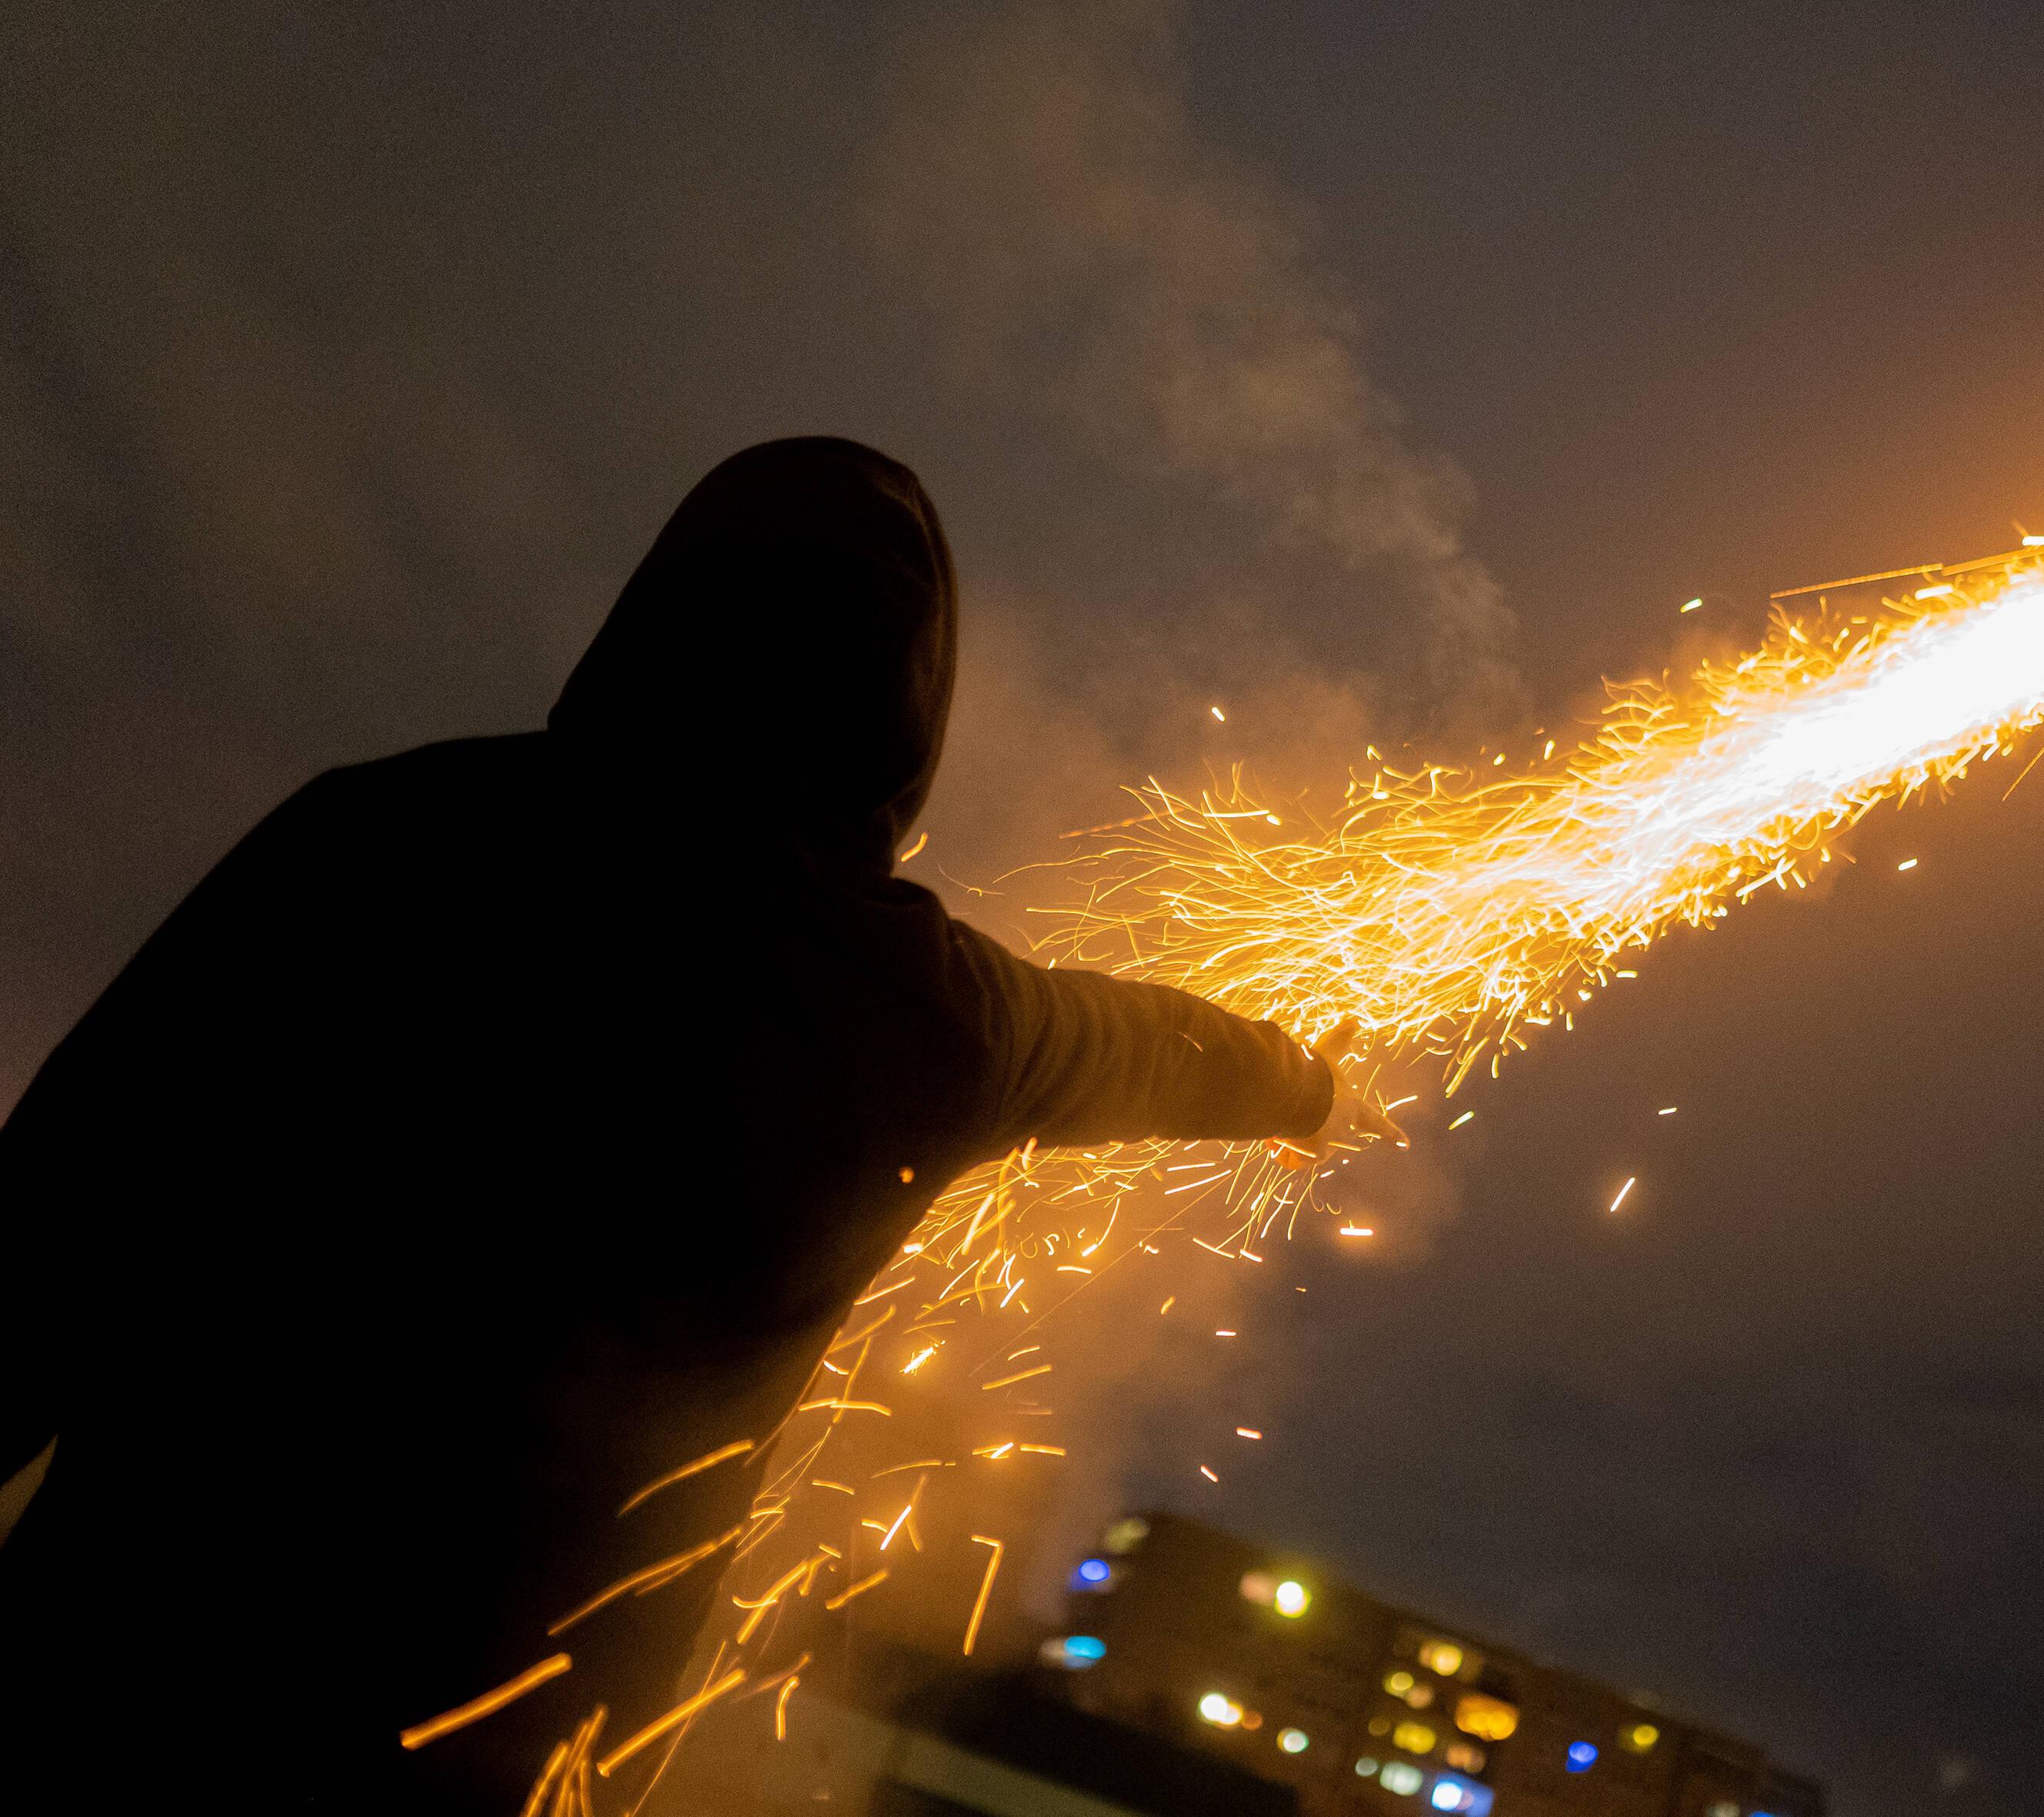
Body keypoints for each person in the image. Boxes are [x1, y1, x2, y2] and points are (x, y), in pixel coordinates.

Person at [0, 438, 1395, 1809]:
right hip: (509, 1772)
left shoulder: (386, 835)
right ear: (905, 712)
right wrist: (1306, 1086)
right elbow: (1151, 1044)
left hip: (113, 1686)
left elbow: (57, 1211)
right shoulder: (930, 1017)